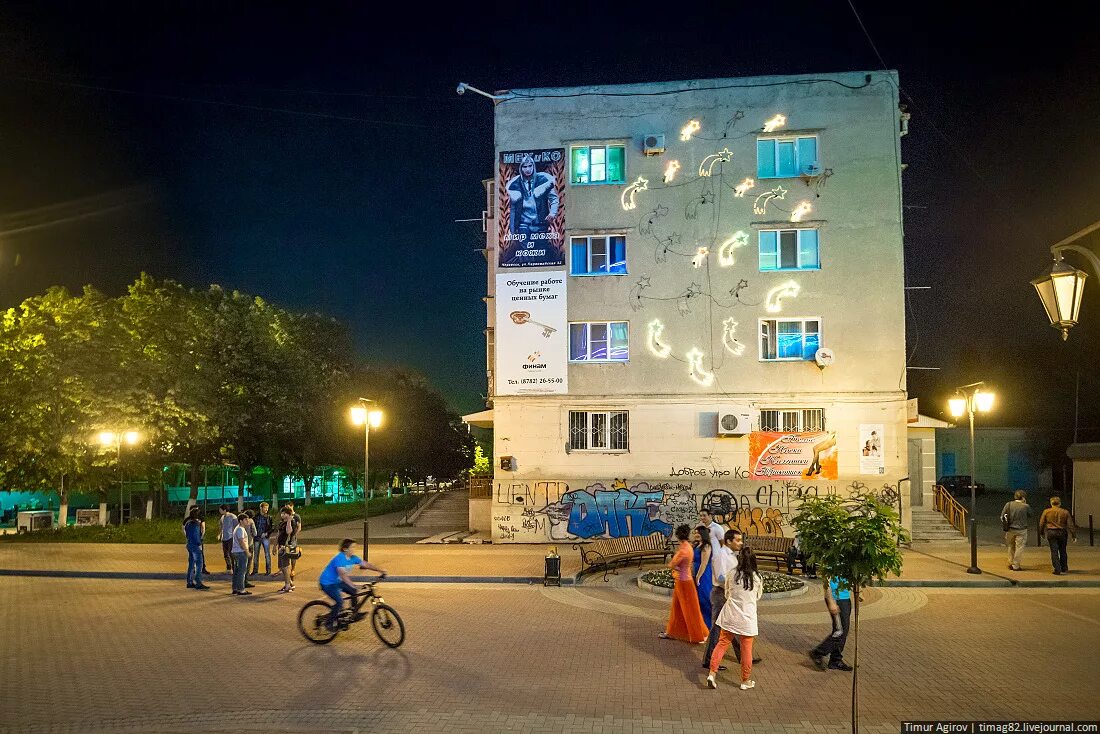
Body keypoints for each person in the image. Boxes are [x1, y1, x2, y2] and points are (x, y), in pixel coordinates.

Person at [706, 545, 763, 690]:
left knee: (722, 643)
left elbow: (727, 593)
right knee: (746, 649)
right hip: (747, 617)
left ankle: (712, 673)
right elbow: (757, 597)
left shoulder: (732, 574)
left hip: (730, 614)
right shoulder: (757, 578)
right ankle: (745, 680)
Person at [318, 539, 388, 631]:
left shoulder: (353, 558)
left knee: (353, 591)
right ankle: (329, 623)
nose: (354, 549)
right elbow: (343, 575)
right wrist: (353, 585)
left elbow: (366, 564)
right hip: (327, 583)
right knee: (340, 602)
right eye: (352, 547)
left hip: (337, 582)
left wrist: (380, 570)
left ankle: (354, 613)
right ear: (345, 549)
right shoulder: (340, 558)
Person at [658, 525, 709, 643]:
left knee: (689, 609)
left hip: (683, 583)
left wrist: (675, 566)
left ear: (678, 536)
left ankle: (699, 635)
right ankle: (672, 632)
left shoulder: (683, 550)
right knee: (678, 608)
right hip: (686, 580)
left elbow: (671, 564)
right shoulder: (688, 547)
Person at [701, 528, 741, 672]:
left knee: (733, 625)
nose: (740, 543)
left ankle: (743, 655)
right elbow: (720, 577)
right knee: (717, 628)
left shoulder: (731, 555)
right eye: (737, 540)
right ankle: (709, 659)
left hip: (728, 594)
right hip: (720, 594)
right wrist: (733, 589)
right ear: (729, 541)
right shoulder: (721, 556)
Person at [506, 153, 559, 242]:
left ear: (533, 166)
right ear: (521, 168)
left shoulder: (543, 180)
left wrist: (552, 213)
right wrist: (512, 230)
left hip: (541, 222)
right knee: (525, 252)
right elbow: (513, 209)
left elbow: (554, 198)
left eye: (530, 166)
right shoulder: (515, 185)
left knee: (542, 248)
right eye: (525, 167)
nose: (528, 169)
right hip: (523, 224)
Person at [809, 576, 854, 672]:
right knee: (839, 632)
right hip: (836, 598)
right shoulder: (831, 561)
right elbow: (826, 579)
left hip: (845, 598)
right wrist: (830, 601)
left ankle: (835, 660)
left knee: (844, 631)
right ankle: (818, 652)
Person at [1039, 496, 1077, 575]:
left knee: (1054, 551)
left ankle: (1057, 568)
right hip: (1062, 532)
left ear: (1051, 503)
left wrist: (1041, 532)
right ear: (1059, 503)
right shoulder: (1065, 512)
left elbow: (1041, 523)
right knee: (1063, 550)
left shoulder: (1046, 511)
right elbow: (1070, 524)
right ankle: (1064, 567)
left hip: (1051, 532)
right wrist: (1074, 535)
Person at [1001, 490, 1032, 571]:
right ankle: (1016, 565)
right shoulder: (1025, 506)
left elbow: (1002, 516)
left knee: (1011, 545)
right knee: (1019, 547)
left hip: (1010, 529)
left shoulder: (1008, 504)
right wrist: (1025, 503)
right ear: (1023, 497)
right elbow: (1030, 515)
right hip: (1022, 529)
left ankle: (1010, 562)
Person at [182, 508, 209, 590]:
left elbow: (186, 533)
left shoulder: (188, 523)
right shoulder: (196, 524)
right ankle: (198, 582)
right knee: (199, 564)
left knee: (191, 564)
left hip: (189, 544)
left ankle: (189, 582)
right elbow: (196, 536)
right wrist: (199, 544)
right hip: (195, 546)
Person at [692, 526, 713, 628]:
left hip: (704, 574)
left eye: (698, 533)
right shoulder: (696, 545)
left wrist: (698, 577)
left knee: (704, 598)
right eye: (695, 533)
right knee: (697, 600)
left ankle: (707, 625)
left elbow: (704, 563)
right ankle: (700, 624)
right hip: (696, 572)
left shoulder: (706, 546)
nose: (696, 535)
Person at [229, 513, 253, 596]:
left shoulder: (238, 528)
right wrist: (247, 551)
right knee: (242, 571)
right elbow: (241, 541)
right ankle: (241, 589)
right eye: (246, 519)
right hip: (240, 552)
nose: (247, 521)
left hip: (236, 552)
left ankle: (235, 588)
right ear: (241, 521)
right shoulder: (240, 529)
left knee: (237, 571)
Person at [276, 506, 296, 593]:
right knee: (282, 566)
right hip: (280, 546)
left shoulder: (291, 522)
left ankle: (288, 585)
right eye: (282, 513)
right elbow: (278, 534)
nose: (282, 515)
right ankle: (290, 583)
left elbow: (289, 532)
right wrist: (275, 546)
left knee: (285, 566)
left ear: (289, 514)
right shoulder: (281, 523)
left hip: (286, 546)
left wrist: (289, 520)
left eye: (284, 514)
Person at [252, 502, 273, 576]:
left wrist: (267, 533)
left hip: (265, 537)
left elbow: (271, 527)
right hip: (257, 537)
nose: (266, 509)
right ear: (261, 508)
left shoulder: (269, 517)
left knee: (267, 554)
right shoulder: (256, 517)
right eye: (265, 508)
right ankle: (255, 570)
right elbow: (253, 526)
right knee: (256, 554)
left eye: (267, 508)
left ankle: (268, 570)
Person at [218, 505, 238, 572]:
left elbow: (236, 526)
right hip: (224, 538)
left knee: (231, 554)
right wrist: (220, 534)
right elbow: (221, 526)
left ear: (225, 510)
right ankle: (229, 568)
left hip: (231, 537)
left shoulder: (233, 516)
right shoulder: (222, 517)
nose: (219, 511)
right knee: (226, 554)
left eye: (220, 509)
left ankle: (234, 568)